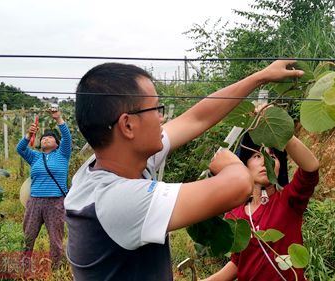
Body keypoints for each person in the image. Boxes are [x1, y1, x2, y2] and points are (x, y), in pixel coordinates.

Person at [64, 60, 304, 280]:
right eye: (156, 110)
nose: (162, 118)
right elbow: (238, 185)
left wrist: (259, 78)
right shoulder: (116, 201)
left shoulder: (115, 162)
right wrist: (229, 163)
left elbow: (196, 118)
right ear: (127, 125)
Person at [203, 131, 320, 281]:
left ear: (279, 167)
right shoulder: (236, 214)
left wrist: (277, 128)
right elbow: (238, 262)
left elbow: (311, 169)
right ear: (244, 166)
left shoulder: (288, 200)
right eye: (257, 156)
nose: (265, 161)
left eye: (272, 156)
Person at [16, 107, 72, 269]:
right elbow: (20, 149)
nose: (46, 139)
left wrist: (58, 119)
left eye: (50, 138)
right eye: (43, 138)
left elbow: (67, 138)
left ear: (57, 143)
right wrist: (28, 135)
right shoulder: (35, 157)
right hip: (34, 202)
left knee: (55, 238)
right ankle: (24, 266)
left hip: (55, 203)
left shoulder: (62, 155)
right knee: (29, 235)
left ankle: (55, 268)